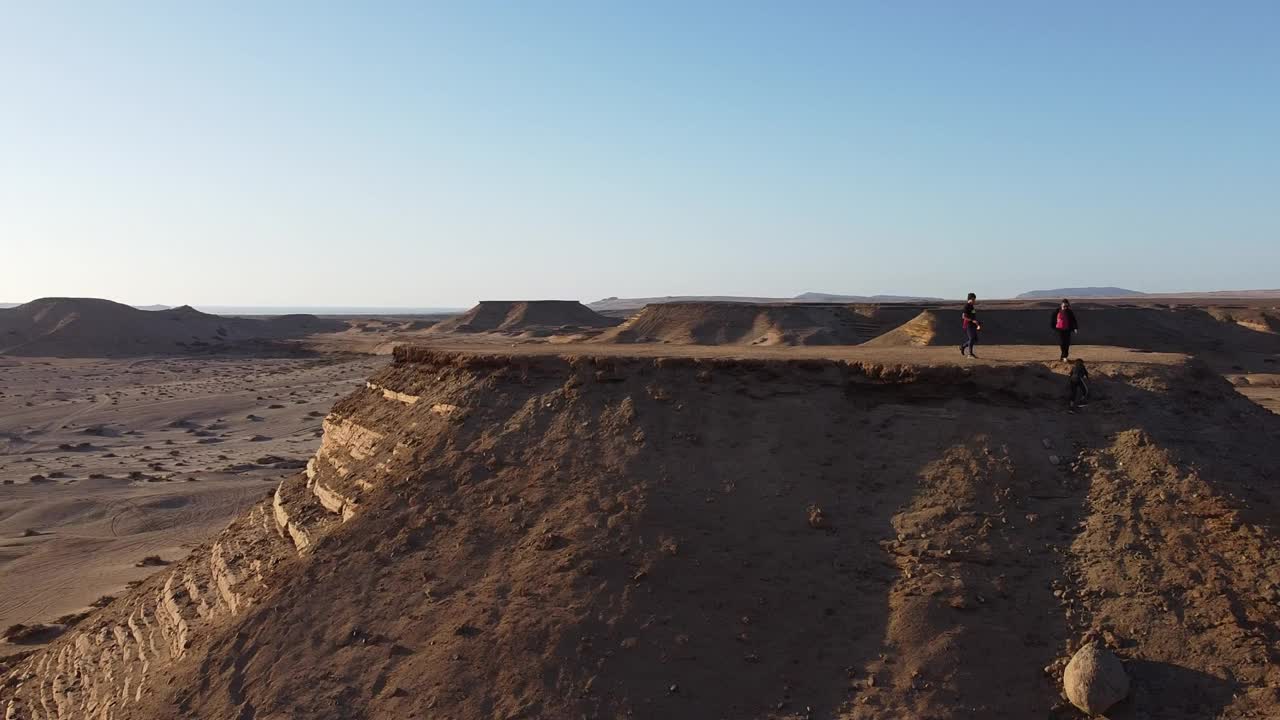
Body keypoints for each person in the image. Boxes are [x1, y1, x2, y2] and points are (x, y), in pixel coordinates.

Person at [960, 293, 980, 358]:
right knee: (971, 339)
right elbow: (963, 317)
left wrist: (977, 323)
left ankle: (963, 346)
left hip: (973, 325)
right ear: (970, 299)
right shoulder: (967, 306)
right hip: (968, 325)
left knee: (975, 339)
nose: (974, 301)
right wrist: (972, 321)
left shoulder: (972, 306)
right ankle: (970, 354)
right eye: (974, 299)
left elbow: (973, 316)